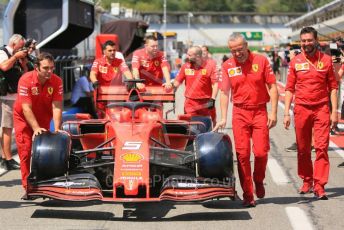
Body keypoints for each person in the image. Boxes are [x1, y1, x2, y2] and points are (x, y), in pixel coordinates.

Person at [213, 33, 278, 207]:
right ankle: (248, 194)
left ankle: (258, 180)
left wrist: (273, 112)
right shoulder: (227, 65)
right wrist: (223, 117)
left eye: (240, 49)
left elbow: (272, 86)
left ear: (246, 45)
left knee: (261, 152)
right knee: (242, 155)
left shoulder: (261, 61)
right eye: (233, 51)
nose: (237, 53)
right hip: (240, 113)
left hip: (259, 112)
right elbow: (225, 92)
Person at [283, 27, 338, 200]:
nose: (306, 43)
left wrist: (334, 111)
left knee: (321, 148)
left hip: (321, 108)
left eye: (309, 40)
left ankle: (320, 185)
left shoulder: (327, 60)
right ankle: (307, 180)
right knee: (303, 148)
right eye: (303, 40)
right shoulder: (295, 62)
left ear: (316, 41)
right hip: (301, 109)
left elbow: (333, 88)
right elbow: (290, 89)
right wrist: (286, 113)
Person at [13, 52, 63, 195]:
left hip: (43, 117)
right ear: (36, 67)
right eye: (46, 68)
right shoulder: (25, 80)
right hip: (23, 118)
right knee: (26, 150)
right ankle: (27, 186)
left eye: (52, 68)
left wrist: (58, 129)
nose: (49, 71)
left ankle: (43, 183)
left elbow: (57, 107)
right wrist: (35, 128)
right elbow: (26, 108)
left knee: (43, 151)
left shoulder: (57, 81)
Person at [0, 34, 28, 170]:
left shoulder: (16, 55)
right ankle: (8, 159)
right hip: (6, 97)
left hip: (16, 95)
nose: (22, 49)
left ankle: (4, 157)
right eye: (20, 46)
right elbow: (4, 67)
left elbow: (25, 75)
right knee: (7, 127)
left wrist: (23, 63)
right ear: (13, 44)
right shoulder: (3, 52)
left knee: (10, 127)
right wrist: (16, 57)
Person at [173, 46, 218, 124]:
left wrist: (213, 99)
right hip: (190, 103)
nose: (187, 57)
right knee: (192, 128)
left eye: (190, 55)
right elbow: (177, 82)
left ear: (198, 56)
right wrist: (170, 86)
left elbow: (215, 84)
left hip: (206, 103)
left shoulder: (210, 66)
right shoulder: (185, 67)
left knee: (208, 126)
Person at [89, 40, 132, 113]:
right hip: (101, 95)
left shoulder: (120, 61)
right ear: (104, 52)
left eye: (114, 50)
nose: (112, 52)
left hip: (116, 95)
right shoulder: (98, 62)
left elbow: (127, 72)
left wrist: (131, 81)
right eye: (110, 50)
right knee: (102, 117)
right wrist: (95, 81)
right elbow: (92, 74)